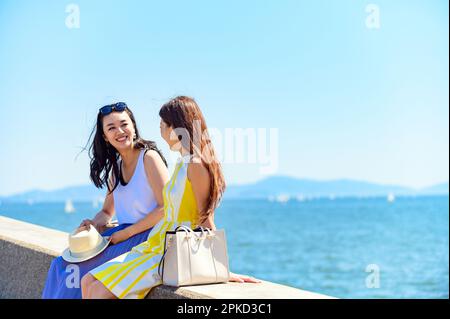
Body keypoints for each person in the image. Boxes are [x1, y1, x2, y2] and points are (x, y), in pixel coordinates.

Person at [81, 96, 261, 299]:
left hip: (170, 252)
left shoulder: (196, 164)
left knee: (97, 292)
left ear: (177, 127)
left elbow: (206, 218)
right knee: (87, 280)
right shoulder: (182, 164)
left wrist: (220, 268)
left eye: (163, 125)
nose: (160, 130)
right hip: (156, 244)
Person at [42, 102, 169, 298]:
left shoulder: (149, 157)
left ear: (133, 126)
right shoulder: (116, 168)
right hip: (124, 235)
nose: (120, 131)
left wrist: (126, 234)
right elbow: (107, 213)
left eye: (124, 124)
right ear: (105, 137)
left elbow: (167, 209)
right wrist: (93, 224)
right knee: (61, 264)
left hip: (148, 237)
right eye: (111, 128)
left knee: (85, 266)